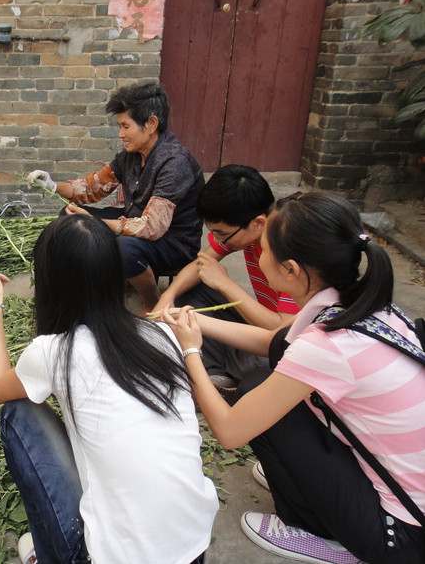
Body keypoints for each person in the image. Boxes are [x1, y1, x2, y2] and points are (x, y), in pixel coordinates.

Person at [161, 192, 425, 564]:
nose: (258, 255)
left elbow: (230, 432)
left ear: (291, 270)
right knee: (264, 380)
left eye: (264, 249)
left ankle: (319, 534)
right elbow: (276, 342)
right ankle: (309, 489)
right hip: (411, 496)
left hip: (401, 535)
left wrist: (191, 352)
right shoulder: (362, 301)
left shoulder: (330, 343)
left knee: (253, 402)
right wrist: (193, 321)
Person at [0, 215, 218, 564]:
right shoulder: (162, 335)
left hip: (112, 558)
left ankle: (52, 556)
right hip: (194, 548)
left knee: (18, 411)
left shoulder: (54, 351)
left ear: (49, 282)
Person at [27, 81, 204, 314]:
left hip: (172, 241)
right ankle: (96, 283)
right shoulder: (130, 156)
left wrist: (96, 223)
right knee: (68, 218)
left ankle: (151, 300)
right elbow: (92, 188)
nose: (120, 134)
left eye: (125, 126)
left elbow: (152, 228)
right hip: (134, 222)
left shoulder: (174, 162)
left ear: (151, 124)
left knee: (123, 248)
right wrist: (52, 186)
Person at [153, 165, 299, 395]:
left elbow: (282, 333)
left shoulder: (289, 253)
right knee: (190, 292)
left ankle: (224, 375)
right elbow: (199, 266)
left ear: (258, 223)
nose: (218, 239)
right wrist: (168, 297)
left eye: (221, 232)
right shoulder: (243, 232)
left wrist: (225, 284)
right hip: (264, 324)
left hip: (287, 342)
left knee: (262, 372)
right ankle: (216, 374)